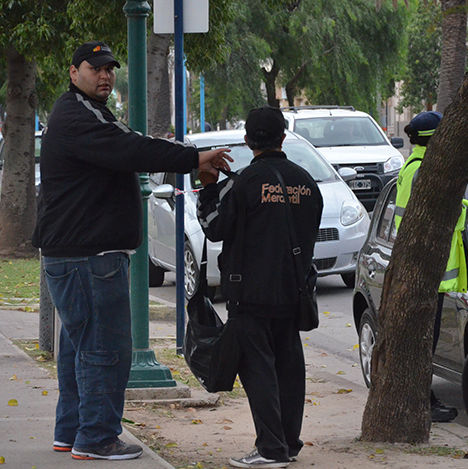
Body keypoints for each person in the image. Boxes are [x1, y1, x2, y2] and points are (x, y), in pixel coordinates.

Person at [32, 41, 232, 461]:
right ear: (74, 73)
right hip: (89, 256)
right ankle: (98, 437)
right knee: (105, 349)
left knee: (79, 348)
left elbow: (131, 146)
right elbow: (132, 148)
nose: (104, 75)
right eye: (95, 68)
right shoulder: (78, 116)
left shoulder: (84, 114)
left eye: (109, 69)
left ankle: (71, 432)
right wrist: (193, 157)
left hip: (79, 254)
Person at [196, 106, 323, 468]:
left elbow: (215, 227)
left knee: (259, 369)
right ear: (283, 137)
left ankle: (271, 449)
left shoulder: (243, 183)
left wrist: (208, 188)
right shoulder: (306, 182)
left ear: (248, 140)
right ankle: (288, 442)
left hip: (249, 291)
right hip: (294, 290)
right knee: (289, 366)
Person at [394, 111, 468, 423]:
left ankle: (423, 397)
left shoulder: (422, 166)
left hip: (427, 272)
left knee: (426, 340)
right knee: (424, 342)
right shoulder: (420, 170)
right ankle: (423, 400)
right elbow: (442, 211)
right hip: (424, 272)